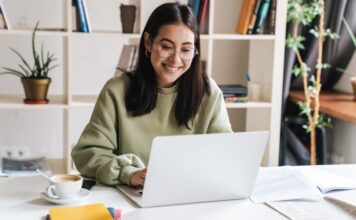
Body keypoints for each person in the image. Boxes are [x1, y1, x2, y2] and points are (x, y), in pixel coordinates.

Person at [71, 2, 232, 188]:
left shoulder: (208, 93)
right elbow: (87, 154)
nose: (176, 59)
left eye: (186, 50)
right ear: (148, 42)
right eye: (166, 47)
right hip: (131, 195)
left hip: (191, 193)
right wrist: (128, 173)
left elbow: (225, 154)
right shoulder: (116, 91)